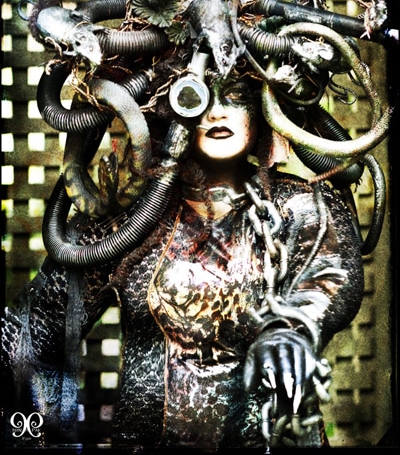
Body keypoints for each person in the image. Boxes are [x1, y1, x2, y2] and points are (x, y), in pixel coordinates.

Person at [2, 50, 364, 451]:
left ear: (263, 107)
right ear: (170, 108)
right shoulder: (131, 220)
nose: (218, 112)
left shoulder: (300, 206)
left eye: (236, 96)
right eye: (200, 95)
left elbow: (330, 276)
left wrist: (292, 330)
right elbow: (33, 334)